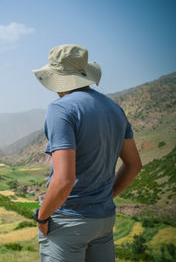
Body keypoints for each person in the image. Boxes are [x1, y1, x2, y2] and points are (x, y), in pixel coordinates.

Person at [31, 44, 142, 262]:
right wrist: (105, 197)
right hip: (104, 220)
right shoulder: (114, 108)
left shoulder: (61, 109)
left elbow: (64, 180)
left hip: (70, 221)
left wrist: (42, 217)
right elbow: (134, 164)